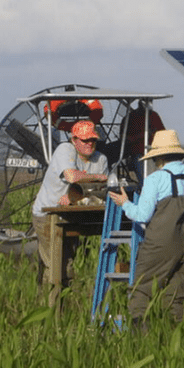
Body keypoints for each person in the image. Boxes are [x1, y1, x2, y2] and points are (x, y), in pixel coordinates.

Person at [108, 129, 184, 326]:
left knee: (142, 289)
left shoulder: (155, 179)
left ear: (159, 157)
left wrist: (125, 203)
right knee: (176, 297)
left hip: (160, 244)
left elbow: (142, 215)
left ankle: (139, 339)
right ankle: (176, 340)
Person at [31, 119, 110, 283]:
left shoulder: (100, 159)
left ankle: (64, 300)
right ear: (74, 140)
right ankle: (51, 303)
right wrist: (97, 178)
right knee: (55, 264)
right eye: (85, 140)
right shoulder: (65, 149)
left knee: (68, 263)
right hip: (48, 214)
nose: (89, 144)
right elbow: (71, 176)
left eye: (93, 140)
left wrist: (75, 197)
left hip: (72, 216)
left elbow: (101, 192)